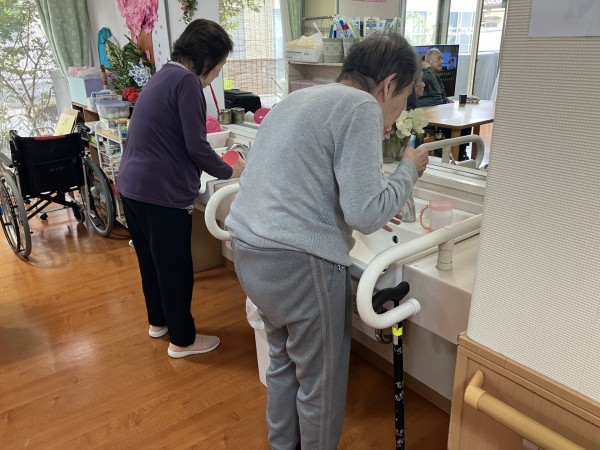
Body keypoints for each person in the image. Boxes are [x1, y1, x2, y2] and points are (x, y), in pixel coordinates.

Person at [225, 32, 429, 449]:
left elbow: (316, 180)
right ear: (389, 84)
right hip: (298, 262)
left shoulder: (299, 99)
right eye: (404, 98)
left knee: (283, 363)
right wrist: (409, 170)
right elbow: (365, 216)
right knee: (321, 384)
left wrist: (380, 194)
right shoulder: (361, 107)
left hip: (248, 249)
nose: (399, 112)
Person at [117, 19, 245, 358]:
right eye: (219, 66)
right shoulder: (187, 82)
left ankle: (158, 322)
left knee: (151, 263)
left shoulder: (163, 76)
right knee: (175, 269)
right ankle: (183, 341)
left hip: (132, 186)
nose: (216, 74)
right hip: (159, 192)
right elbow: (196, 146)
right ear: (207, 59)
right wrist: (229, 169)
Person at [418, 48, 470, 160]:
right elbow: (428, 79)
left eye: (442, 58)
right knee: (453, 126)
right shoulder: (422, 75)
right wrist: (427, 68)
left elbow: (442, 94)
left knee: (465, 123)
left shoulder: (436, 76)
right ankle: (449, 155)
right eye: (439, 58)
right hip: (428, 113)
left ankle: (461, 153)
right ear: (428, 61)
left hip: (440, 111)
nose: (442, 61)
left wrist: (446, 100)